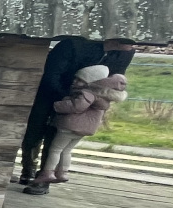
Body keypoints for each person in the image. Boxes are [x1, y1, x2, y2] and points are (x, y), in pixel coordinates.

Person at [19, 37, 137, 183]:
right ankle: (29, 168)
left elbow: (114, 81)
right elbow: (51, 75)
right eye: (131, 42)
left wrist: (93, 98)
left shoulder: (125, 53)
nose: (134, 46)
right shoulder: (74, 46)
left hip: (86, 102)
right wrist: (66, 97)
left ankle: (44, 178)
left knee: (56, 141)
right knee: (34, 132)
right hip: (51, 93)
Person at [25, 66, 128, 194]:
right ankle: (62, 172)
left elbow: (77, 106)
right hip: (85, 129)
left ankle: (47, 172)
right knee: (67, 151)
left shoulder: (87, 93)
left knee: (55, 149)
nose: (75, 81)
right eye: (76, 79)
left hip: (69, 127)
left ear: (90, 82)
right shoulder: (103, 96)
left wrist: (57, 105)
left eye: (80, 80)